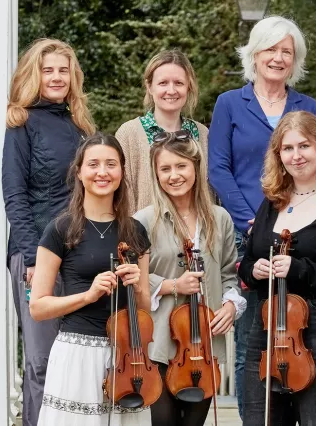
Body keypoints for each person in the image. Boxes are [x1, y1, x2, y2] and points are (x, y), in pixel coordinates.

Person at [208, 16, 316, 418]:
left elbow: (314, 164)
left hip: (298, 230)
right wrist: (251, 220)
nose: (277, 58)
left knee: (299, 328)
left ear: (295, 60)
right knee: (253, 337)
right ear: (254, 55)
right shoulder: (228, 103)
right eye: (270, 49)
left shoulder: (308, 106)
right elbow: (218, 168)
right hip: (249, 232)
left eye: (286, 51)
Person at [238, 111, 316, 425]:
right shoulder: (272, 200)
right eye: (287, 148)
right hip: (266, 327)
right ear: (278, 154)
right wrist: (255, 270)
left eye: (303, 146)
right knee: (260, 418)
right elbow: (247, 262)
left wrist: (297, 269)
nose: (296, 155)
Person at [2, 38, 95, 426]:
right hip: (37, 256)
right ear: (33, 75)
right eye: (48, 69)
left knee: (79, 357)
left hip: (80, 255)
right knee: (42, 362)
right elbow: (14, 194)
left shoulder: (81, 125)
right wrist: (31, 258)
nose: (56, 77)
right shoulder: (21, 121)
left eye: (63, 70)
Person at [30, 134, 152, 425]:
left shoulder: (135, 231)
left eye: (111, 164)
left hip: (127, 356)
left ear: (121, 172)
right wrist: (88, 295)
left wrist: (136, 287)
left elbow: (146, 307)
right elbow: (38, 307)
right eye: (93, 164)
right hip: (77, 353)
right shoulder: (60, 229)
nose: (102, 172)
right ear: (80, 173)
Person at [133, 129, 246, 425]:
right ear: (156, 174)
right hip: (158, 341)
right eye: (165, 169)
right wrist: (172, 285)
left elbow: (228, 274)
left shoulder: (219, 218)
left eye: (181, 166)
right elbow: (133, 279)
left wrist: (231, 306)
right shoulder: (143, 221)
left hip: (202, 346)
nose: (174, 175)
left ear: (196, 167)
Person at [116, 49, 208, 214]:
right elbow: (123, 195)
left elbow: (209, 191)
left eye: (179, 83)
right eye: (163, 83)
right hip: (146, 234)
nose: (171, 90)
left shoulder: (201, 133)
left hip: (195, 233)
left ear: (189, 87)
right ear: (149, 87)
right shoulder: (129, 134)